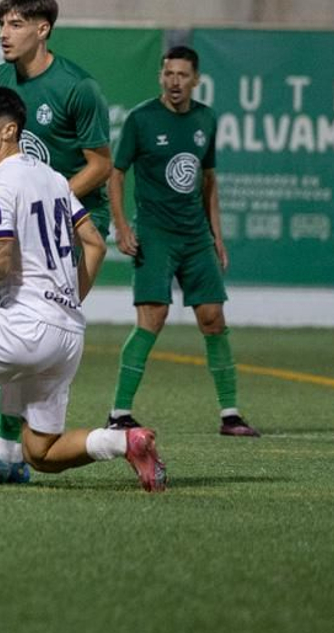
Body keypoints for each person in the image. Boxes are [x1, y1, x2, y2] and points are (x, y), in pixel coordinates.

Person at [0, 87, 165, 492]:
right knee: (41, 452)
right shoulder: (54, 179)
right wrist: (68, 298)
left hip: (27, 326)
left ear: (9, 131)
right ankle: (126, 440)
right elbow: (93, 242)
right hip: (67, 333)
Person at [0, 0, 112, 484]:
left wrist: (51, 203)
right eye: (0, 23)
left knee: (37, 333)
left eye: (15, 24)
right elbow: (4, 166)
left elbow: (101, 165)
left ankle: (12, 451)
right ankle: (10, 451)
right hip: (26, 222)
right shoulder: (0, 81)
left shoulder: (79, 88)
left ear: (43, 30)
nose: (3, 33)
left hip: (73, 235)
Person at [107, 46, 259, 436]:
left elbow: (208, 179)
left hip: (195, 237)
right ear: (160, 77)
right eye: (168, 74)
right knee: (153, 318)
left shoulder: (206, 118)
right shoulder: (141, 119)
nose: (175, 81)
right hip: (155, 235)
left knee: (213, 318)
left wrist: (217, 237)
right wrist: (122, 227)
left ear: (196, 80)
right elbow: (116, 173)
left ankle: (230, 414)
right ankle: (119, 413)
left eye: (182, 75)